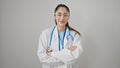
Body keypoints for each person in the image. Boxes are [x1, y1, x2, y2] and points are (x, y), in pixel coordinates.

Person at [37, 4, 83, 68]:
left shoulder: (75, 36)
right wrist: (66, 56)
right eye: (59, 14)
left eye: (65, 15)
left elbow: (74, 58)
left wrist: (51, 54)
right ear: (54, 15)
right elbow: (42, 57)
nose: (62, 18)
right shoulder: (45, 34)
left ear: (68, 16)